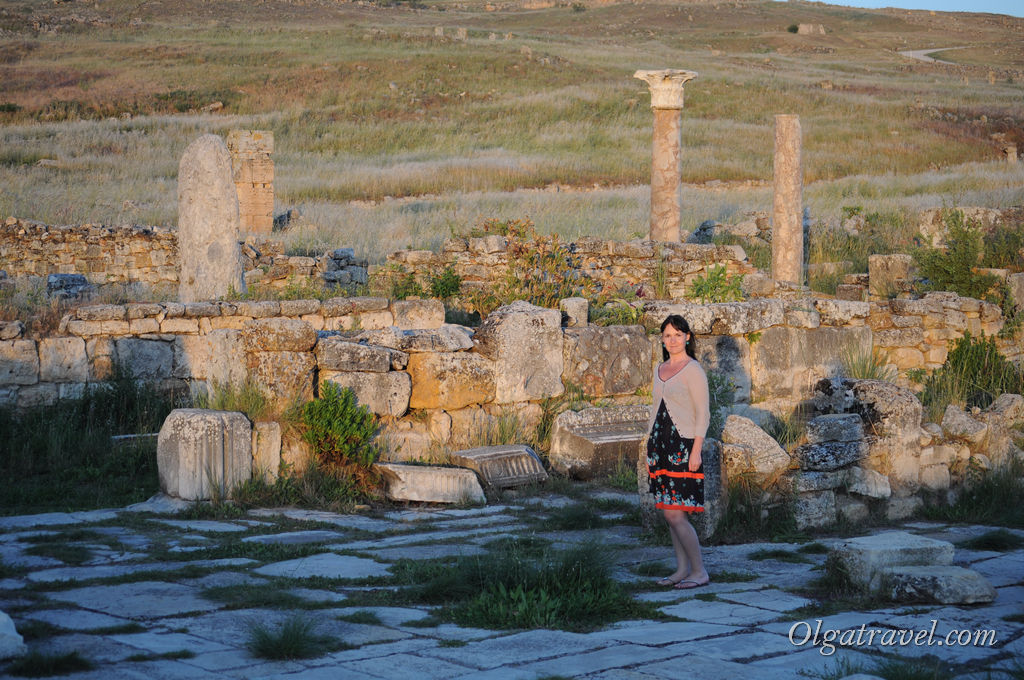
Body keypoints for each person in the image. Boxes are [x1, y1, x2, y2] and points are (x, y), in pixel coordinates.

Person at [646, 314, 711, 590]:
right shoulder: (659, 369)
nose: (672, 340)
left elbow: (703, 413)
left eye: (677, 334)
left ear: (687, 337)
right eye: (667, 335)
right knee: (669, 512)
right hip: (660, 447)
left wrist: (696, 450)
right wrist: (648, 441)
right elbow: (655, 410)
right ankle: (682, 569)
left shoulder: (693, 369)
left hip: (683, 447)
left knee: (675, 513)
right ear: (662, 339)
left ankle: (699, 571)